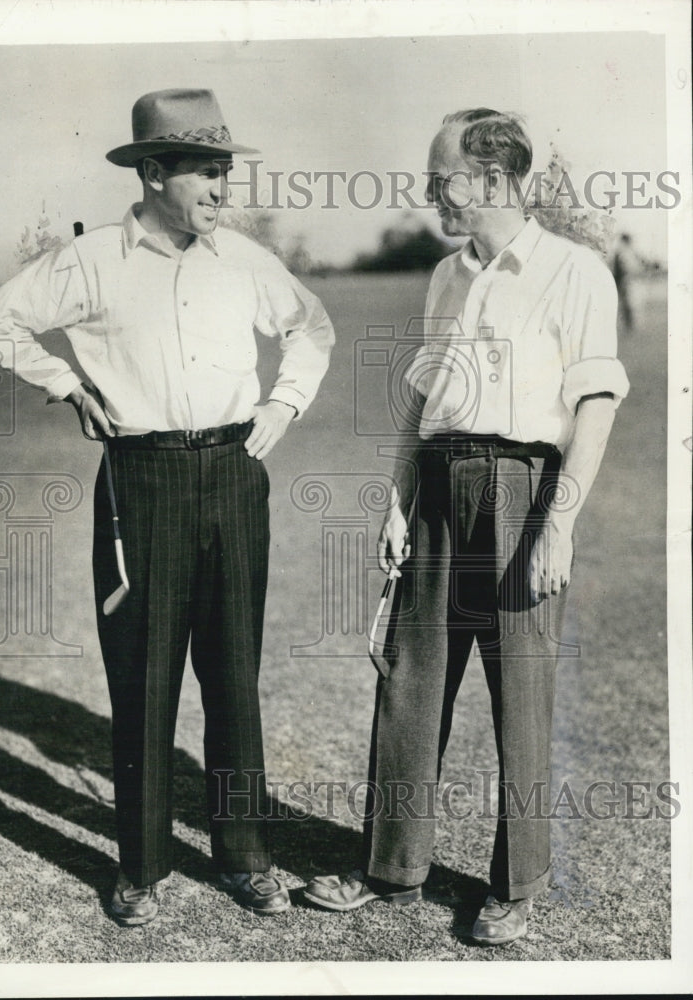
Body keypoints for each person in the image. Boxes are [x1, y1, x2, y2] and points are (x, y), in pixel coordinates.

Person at [0, 88, 334, 925]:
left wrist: (282, 405)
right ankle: (139, 866)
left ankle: (245, 855)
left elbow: (311, 329)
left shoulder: (243, 259)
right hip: (142, 480)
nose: (220, 187)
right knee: (143, 673)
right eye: (206, 171)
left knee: (233, 672)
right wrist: (66, 383)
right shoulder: (93, 260)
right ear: (156, 172)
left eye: (225, 170)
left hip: (235, 473)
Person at [304, 108, 628, 945]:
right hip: (441, 487)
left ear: (490, 179)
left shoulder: (576, 271)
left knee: (520, 689)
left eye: (439, 178)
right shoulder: (447, 275)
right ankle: (391, 867)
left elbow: (594, 402)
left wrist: (558, 525)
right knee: (408, 681)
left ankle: (517, 884)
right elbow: (421, 404)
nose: (429, 194)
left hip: (524, 489)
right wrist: (395, 501)